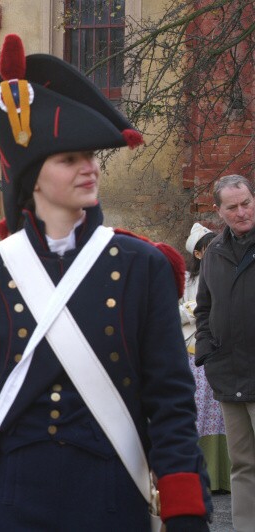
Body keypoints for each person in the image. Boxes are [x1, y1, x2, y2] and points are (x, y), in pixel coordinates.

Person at [0, 35, 211, 530]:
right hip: (11, 498)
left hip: (108, 493)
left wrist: (186, 510)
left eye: (91, 156)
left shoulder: (140, 266)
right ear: (31, 178)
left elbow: (170, 402)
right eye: (69, 159)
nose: (90, 168)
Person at [195, 174, 255, 529]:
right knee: (243, 463)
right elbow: (203, 308)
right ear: (219, 211)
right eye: (231, 207)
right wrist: (207, 350)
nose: (241, 212)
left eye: (246, 202)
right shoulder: (214, 252)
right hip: (228, 373)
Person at [180, 223, 230, 493]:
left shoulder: (225, 274)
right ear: (198, 254)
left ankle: (224, 477)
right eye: (208, 248)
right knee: (197, 414)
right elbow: (168, 312)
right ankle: (198, 476)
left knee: (222, 416)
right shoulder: (186, 279)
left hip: (221, 353)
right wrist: (191, 310)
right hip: (194, 355)